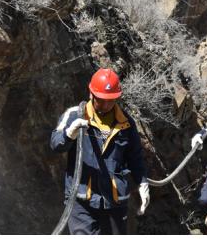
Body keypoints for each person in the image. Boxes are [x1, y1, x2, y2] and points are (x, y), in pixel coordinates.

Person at [50, 68, 150, 234]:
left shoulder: (126, 123)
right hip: (81, 200)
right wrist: (69, 135)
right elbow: (55, 144)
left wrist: (142, 181)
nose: (105, 105)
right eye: (101, 100)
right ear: (91, 94)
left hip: (115, 201)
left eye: (110, 100)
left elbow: (135, 157)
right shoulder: (74, 115)